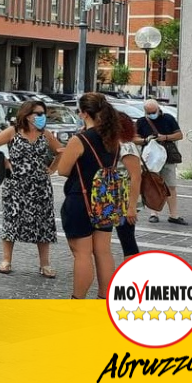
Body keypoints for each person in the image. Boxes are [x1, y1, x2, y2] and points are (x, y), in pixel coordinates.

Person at [56, 92, 124, 300]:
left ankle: (77, 300)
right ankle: (104, 298)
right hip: (105, 200)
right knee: (103, 252)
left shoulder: (80, 139)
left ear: (85, 113)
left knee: (82, 254)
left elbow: (63, 170)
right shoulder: (113, 140)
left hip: (81, 199)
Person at [0, 100, 63, 278]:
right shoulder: (13, 131)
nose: (41, 117)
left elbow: (61, 151)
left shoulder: (45, 134)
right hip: (16, 184)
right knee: (11, 220)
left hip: (40, 186)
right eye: (37, 113)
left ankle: (44, 264)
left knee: (43, 223)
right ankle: (6, 260)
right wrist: (5, 162)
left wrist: (52, 168)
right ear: (27, 114)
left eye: (43, 113)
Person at [134, 99, 186, 225]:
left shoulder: (168, 118)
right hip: (150, 158)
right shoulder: (141, 122)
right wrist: (145, 140)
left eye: (153, 111)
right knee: (152, 185)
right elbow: (134, 138)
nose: (152, 114)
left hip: (167, 156)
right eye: (149, 112)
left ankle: (173, 215)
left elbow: (179, 135)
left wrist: (165, 137)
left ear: (158, 109)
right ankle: (153, 213)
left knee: (171, 186)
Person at [115, 113, 143, 257]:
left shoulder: (126, 146)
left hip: (125, 198)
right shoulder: (115, 143)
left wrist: (131, 207)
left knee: (127, 238)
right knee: (125, 237)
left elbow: (136, 177)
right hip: (114, 197)